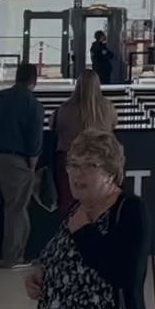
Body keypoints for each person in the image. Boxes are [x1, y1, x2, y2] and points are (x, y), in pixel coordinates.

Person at [26, 130, 153, 309]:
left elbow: (125, 275)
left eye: (89, 166)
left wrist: (86, 232)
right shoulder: (76, 208)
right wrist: (39, 272)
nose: (77, 174)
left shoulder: (130, 210)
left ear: (110, 171)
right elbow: (55, 254)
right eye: (73, 165)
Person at [0, 62, 45, 268]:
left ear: (16, 77)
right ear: (34, 80)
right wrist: (30, 169)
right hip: (15, 162)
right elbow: (34, 142)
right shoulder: (34, 105)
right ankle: (13, 259)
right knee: (15, 211)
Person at [53, 69, 117, 216]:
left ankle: (72, 234)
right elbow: (113, 126)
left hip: (70, 161)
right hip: (99, 162)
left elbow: (54, 126)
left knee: (70, 205)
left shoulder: (65, 109)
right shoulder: (108, 108)